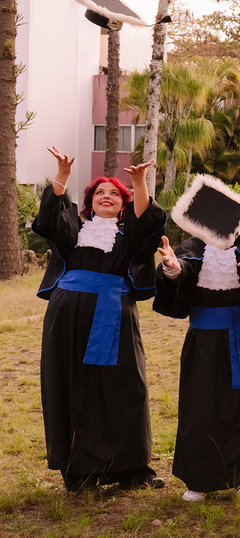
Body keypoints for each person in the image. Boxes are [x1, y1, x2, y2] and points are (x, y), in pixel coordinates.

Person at [33, 147, 167, 491]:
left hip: (115, 315)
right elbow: (48, 218)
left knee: (124, 387)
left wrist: (139, 182)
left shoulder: (128, 238)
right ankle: (78, 473)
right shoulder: (73, 231)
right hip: (68, 316)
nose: (106, 196)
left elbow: (147, 223)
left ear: (123, 207)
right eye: (99, 193)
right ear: (89, 204)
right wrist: (62, 175)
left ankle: (131, 470)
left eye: (114, 194)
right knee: (71, 384)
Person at [154, 231, 240, 503]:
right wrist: (172, 269)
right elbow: (183, 269)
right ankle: (199, 480)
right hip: (202, 338)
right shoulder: (193, 246)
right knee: (199, 406)